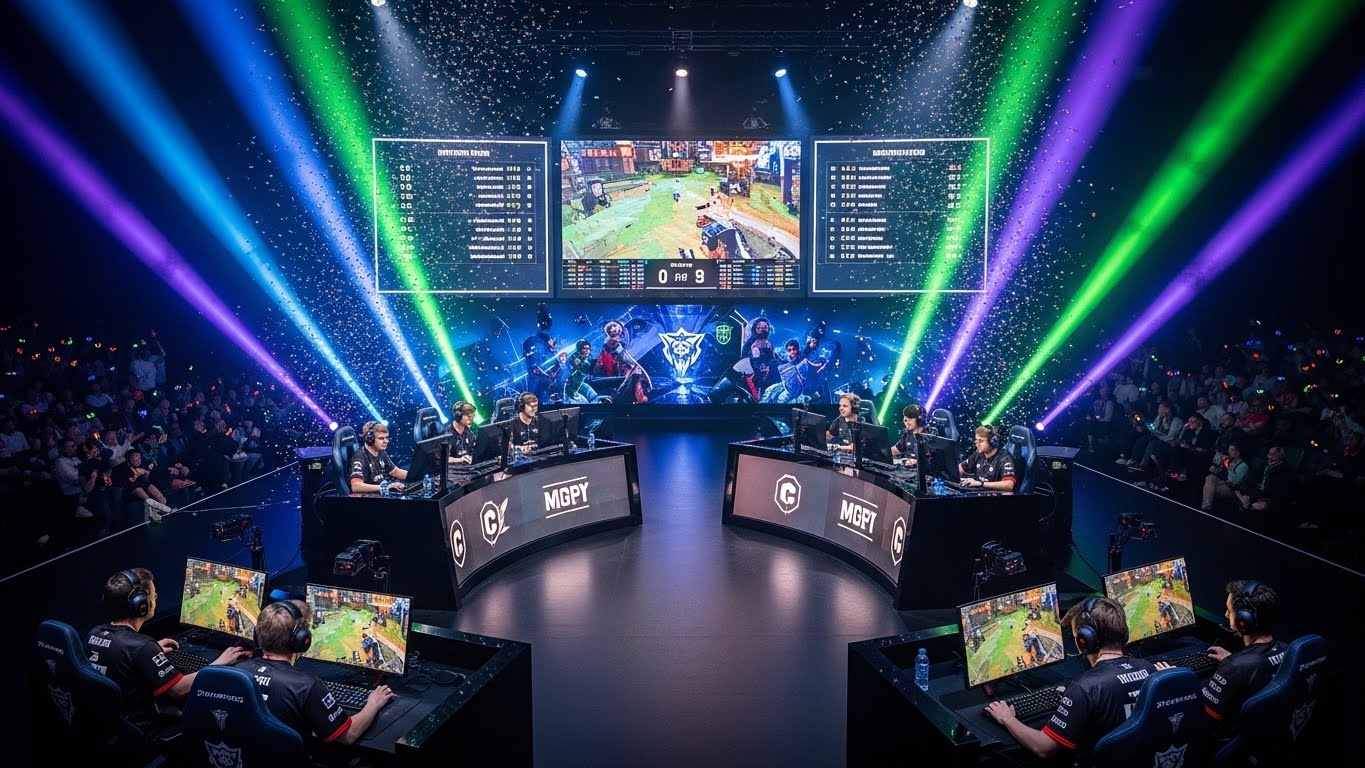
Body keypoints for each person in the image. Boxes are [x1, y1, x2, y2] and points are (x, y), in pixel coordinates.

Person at [985, 596, 1158, 760]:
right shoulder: (1151, 671)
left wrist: (1007, 718)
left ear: (1084, 640)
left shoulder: (1085, 688)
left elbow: (1043, 748)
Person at [86, 569, 249, 737]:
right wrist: (219, 663)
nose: (155, 599)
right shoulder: (142, 647)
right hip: (144, 732)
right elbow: (178, 690)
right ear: (141, 604)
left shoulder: (95, 634)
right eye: (153, 595)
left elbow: (121, 657)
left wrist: (153, 651)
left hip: (110, 728)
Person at [232, 600, 393, 746]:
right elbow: (348, 735)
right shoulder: (305, 685)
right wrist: (373, 704)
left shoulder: (236, 673)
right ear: (302, 640)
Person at [1190, 580, 1286, 738]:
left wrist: (1177, 679)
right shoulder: (1285, 650)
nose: (1226, 614)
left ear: (1244, 621)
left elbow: (1202, 719)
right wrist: (1233, 659)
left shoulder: (1236, 668)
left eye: (1229, 610)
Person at [348, 421, 407, 494]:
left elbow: (395, 472)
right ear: (370, 439)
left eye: (387, 437)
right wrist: (386, 487)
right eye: (381, 438)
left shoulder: (381, 452)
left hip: (380, 494)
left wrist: (416, 476)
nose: (386, 441)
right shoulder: (359, 458)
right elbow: (356, 486)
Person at [959, 426, 1019, 492]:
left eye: (981, 441)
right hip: (978, 493)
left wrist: (980, 484)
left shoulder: (1006, 459)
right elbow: (961, 468)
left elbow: (1009, 485)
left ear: (992, 442)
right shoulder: (978, 454)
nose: (977, 444)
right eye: (976, 440)